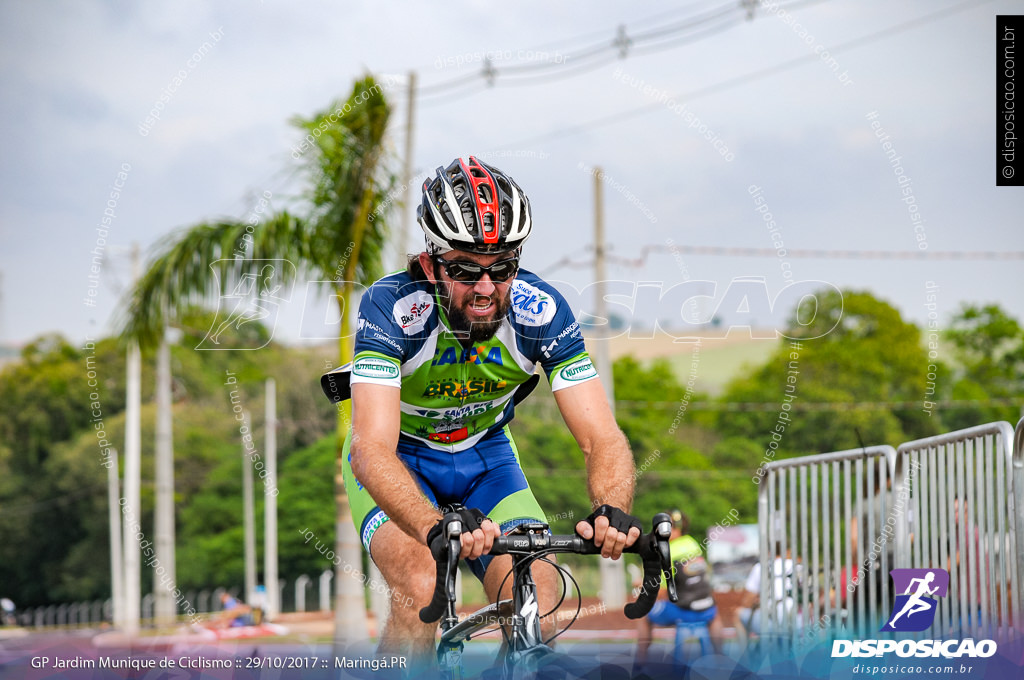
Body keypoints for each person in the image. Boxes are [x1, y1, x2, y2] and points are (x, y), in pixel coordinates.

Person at [321, 156, 643, 667]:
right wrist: (433, 524)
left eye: (503, 268)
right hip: (400, 460)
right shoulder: (393, 308)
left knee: (542, 594)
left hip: (486, 459)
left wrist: (611, 508)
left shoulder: (542, 310)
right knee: (421, 581)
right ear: (430, 266)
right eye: (465, 269)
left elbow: (601, 436)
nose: (487, 287)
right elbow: (370, 448)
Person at [634, 510, 721, 667]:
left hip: (684, 610)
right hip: (707, 609)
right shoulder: (692, 543)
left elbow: (659, 591)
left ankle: (641, 659)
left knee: (643, 613)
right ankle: (719, 656)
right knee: (713, 613)